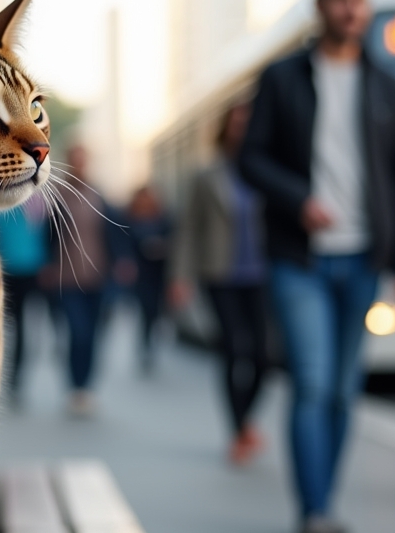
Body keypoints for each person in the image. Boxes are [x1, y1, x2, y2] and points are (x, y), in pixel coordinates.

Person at [239, 0, 395, 533]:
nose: (351, 10)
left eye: (360, 0)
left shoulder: (385, 83)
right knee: (314, 382)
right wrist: (299, 200)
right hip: (300, 258)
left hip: (363, 259)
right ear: (320, 7)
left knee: (344, 392)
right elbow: (250, 159)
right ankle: (313, 514)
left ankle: (325, 502)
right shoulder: (282, 78)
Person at [170, 102, 269, 466]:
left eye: (248, 123)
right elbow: (189, 229)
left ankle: (246, 420)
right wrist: (180, 276)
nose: (241, 130)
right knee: (233, 349)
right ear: (225, 128)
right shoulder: (206, 176)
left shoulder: (266, 171)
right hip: (220, 274)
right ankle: (238, 429)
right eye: (236, 123)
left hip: (262, 275)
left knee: (262, 356)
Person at [43, 145, 112, 417]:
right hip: (66, 279)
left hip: (98, 278)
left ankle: (86, 387)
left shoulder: (99, 196)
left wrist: (121, 263)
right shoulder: (58, 195)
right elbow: (47, 234)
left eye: (83, 160)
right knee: (77, 332)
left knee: (93, 335)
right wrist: (47, 266)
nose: (79, 165)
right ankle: (75, 385)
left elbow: (113, 234)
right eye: (75, 160)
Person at [0, 193, 50, 406]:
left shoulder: (38, 203)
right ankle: (1, 376)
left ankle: (16, 379)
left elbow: (47, 235)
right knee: (1, 328)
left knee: (21, 327)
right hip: (4, 271)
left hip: (30, 272)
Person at [122, 185, 173, 372]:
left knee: (156, 312)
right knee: (146, 311)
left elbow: (174, 241)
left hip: (160, 273)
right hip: (141, 274)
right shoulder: (129, 219)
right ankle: (146, 347)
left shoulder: (163, 219)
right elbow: (125, 244)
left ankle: (151, 345)